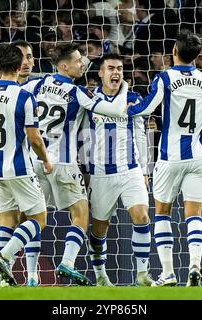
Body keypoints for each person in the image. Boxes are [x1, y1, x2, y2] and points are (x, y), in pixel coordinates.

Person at [127, 29, 202, 287]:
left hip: (170, 158)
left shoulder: (165, 78)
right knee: (194, 214)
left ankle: (169, 273)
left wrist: (127, 109)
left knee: (162, 214)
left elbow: (147, 108)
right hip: (198, 156)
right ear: (197, 56)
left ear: (174, 52)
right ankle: (195, 265)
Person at [31, 42, 129, 286]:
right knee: (81, 215)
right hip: (63, 162)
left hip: (35, 160)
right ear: (64, 66)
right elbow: (115, 109)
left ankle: (15, 267)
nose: (82, 64)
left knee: (30, 218)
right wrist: (124, 86)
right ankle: (68, 262)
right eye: (77, 61)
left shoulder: (37, 84)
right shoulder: (78, 92)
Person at [0, 44, 53, 287]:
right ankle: (4, 256)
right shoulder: (25, 97)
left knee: (6, 220)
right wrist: (46, 159)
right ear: (19, 67)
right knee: (38, 219)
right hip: (19, 169)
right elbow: (34, 137)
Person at [86, 53, 152, 287]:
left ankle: (142, 275)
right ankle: (101, 275)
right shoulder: (90, 99)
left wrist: (145, 169)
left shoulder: (134, 98)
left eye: (120, 69)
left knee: (142, 215)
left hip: (130, 170)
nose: (116, 73)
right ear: (101, 73)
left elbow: (143, 134)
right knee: (99, 229)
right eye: (111, 68)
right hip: (101, 174)